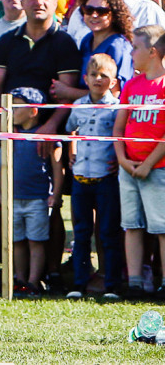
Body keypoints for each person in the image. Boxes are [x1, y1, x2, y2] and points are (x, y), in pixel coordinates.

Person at [0, 0, 81, 131]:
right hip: (8, 130)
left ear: (55, 3)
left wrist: (51, 126)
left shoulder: (65, 43)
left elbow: (67, 94)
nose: (38, 2)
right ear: (22, 2)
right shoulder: (6, 41)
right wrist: (3, 124)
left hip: (48, 136)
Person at [113, 24, 165, 299]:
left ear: (153, 52)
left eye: (136, 48)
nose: (131, 53)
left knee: (162, 228)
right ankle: (134, 283)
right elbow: (119, 127)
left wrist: (148, 164)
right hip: (129, 168)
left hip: (158, 169)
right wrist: (123, 160)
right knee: (131, 225)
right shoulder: (132, 85)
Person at [65, 53, 122, 300]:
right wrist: (71, 152)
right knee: (81, 232)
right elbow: (70, 131)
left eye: (104, 76)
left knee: (108, 232)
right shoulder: (78, 106)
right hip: (80, 178)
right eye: (94, 75)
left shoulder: (117, 108)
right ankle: (79, 283)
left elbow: (122, 137)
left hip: (105, 178)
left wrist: (119, 163)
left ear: (114, 81)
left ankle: (112, 285)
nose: (98, 79)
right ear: (86, 78)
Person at [9, 87, 64, 298]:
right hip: (14, 197)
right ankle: (20, 280)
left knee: (36, 241)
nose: (12, 109)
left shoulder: (46, 136)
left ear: (33, 111)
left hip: (38, 198)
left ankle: (34, 282)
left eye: (17, 105)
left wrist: (56, 195)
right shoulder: (11, 135)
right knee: (18, 241)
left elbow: (58, 168)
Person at [50, 0, 133, 103]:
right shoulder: (87, 40)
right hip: (83, 112)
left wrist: (68, 92)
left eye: (101, 11)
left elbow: (114, 95)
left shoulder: (119, 46)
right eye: (88, 10)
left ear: (114, 14)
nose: (94, 15)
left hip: (107, 116)